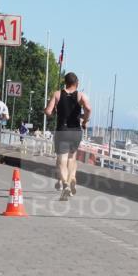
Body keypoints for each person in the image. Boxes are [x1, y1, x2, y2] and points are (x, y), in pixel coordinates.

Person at [44, 72, 91, 200]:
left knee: (62, 160)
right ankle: (70, 182)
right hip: (76, 131)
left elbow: (48, 111)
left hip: (62, 131)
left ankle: (65, 183)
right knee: (72, 159)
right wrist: (85, 121)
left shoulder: (57, 94)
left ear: (65, 82)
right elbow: (88, 108)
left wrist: (50, 111)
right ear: (77, 83)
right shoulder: (81, 95)